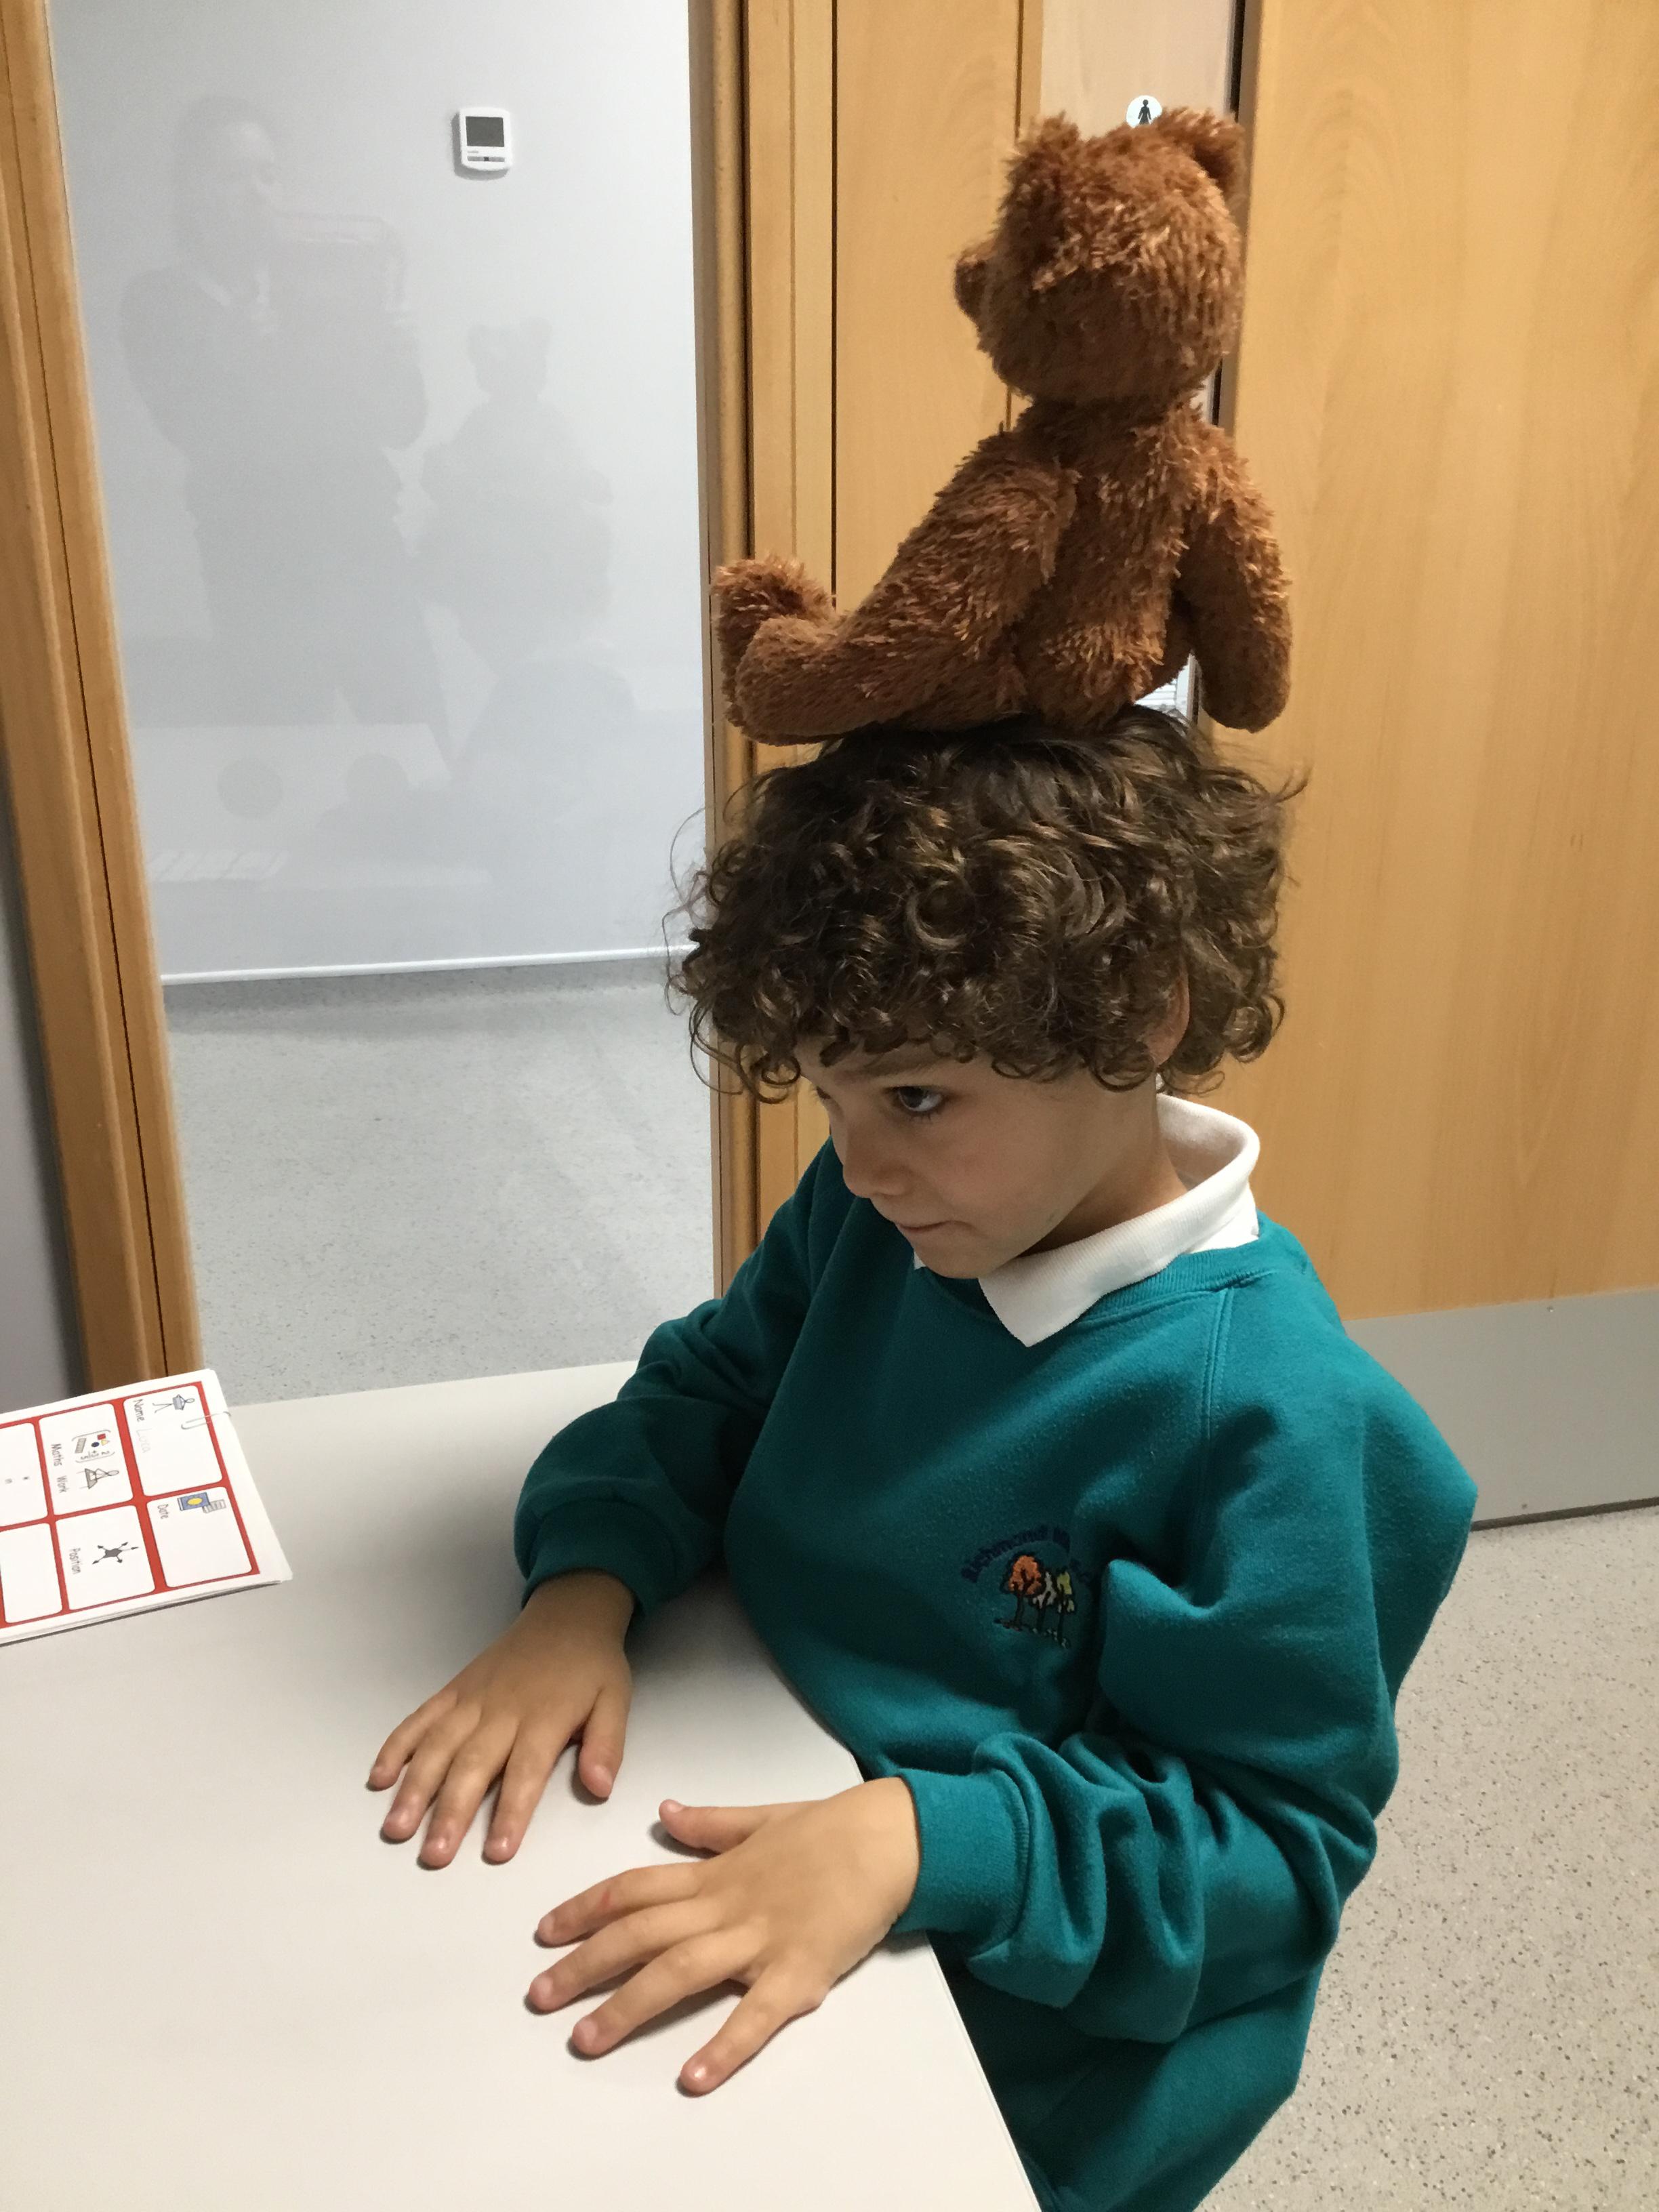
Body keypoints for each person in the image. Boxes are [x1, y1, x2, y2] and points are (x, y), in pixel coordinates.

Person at [367, 707, 1477, 2212]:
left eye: (918, 1098)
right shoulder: (882, 1212)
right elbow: (712, 1385)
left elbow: (1269, 1857)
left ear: (1142, 1015)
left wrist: (917, 1838)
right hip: (753, 1796)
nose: (862, 1162)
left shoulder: (1273, 1414)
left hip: (1021, 2056)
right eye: (832, 1098)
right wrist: (584, 1586)